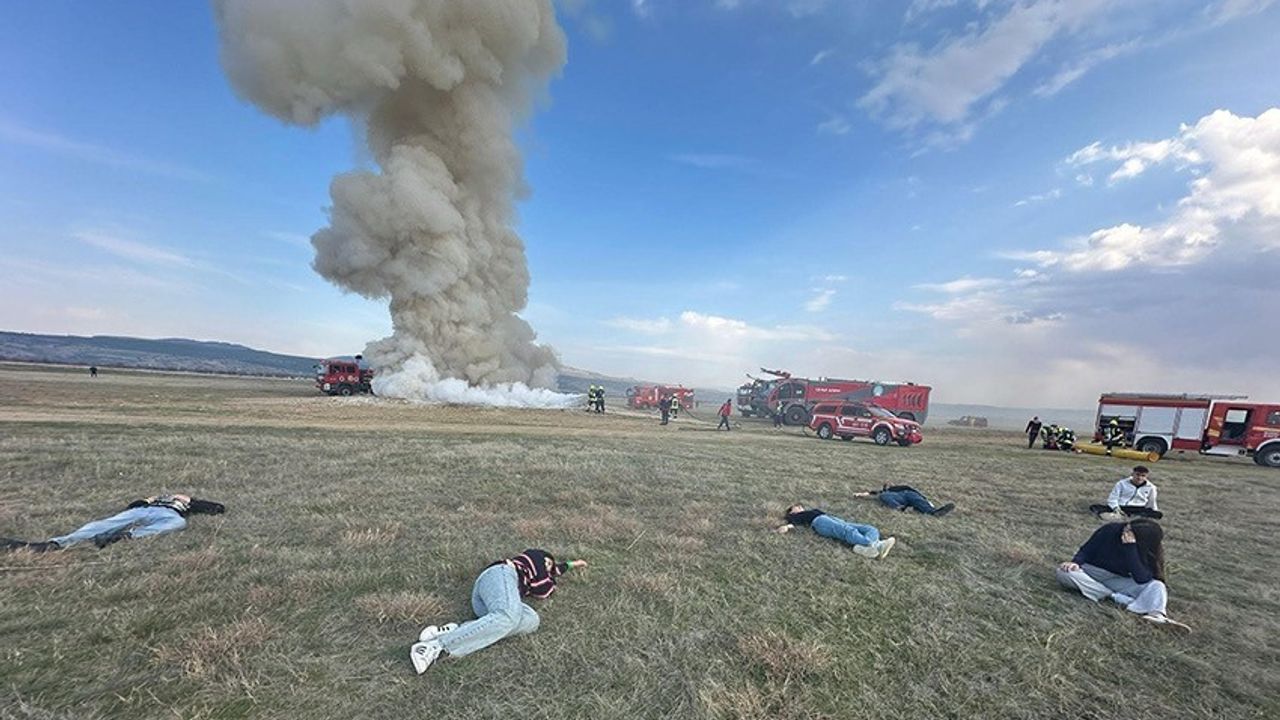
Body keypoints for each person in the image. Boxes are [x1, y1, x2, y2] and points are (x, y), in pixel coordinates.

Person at [410, 548, 587, 674]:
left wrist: (574, 564)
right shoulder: (534, 558)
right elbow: (542, 590)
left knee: (532, 620)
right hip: (499, 575)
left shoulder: (542, 572)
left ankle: (457, 630)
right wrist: (552, 581)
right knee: (508, 616)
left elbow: (557, 569)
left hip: (492, 604)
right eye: (548, 563)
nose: (548, 567)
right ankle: (436, 646)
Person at [1055, 519, 1190, 632]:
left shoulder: (1145, 549)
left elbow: (1142, 578)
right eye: (1126, 529)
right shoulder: (1110, 530)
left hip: (1118, 579)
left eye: (1130, 533)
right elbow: (1086, 550)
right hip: (1091, 572)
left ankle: (1156, 616)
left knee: (1157, 585)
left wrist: (1130, 549)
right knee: (1064, 573)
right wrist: (1075, 562)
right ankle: (1116, 598)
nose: (1125, 533)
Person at [2, 494, 226, 552]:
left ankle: (124, 536)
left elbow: (216, 508)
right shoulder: (153, 499)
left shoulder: (188, 504)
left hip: (169, 515)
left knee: (178, 524)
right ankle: (55, 544)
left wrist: (194, 503)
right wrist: (147, 501)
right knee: (105, 523)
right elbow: (134, 505)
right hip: (143, 511)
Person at [775, 505, 896, 559]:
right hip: (820, 522)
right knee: (848, 531)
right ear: (792, 511)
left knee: (870, 528)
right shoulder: (796, 516)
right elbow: (795, 523)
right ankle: (876, 545)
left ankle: (867, 549)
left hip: (830, 518)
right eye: (795, 507)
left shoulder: (810, 510)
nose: (799, 507)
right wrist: (787, 527)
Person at [1090, 466, 1162, 519]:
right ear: (1132, 474)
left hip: (1138, 508)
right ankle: (1120, 515)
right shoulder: (1121, 483)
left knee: (1157, 514)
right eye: (1137, 474)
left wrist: (1153, 511)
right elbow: (1113, 498)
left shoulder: (1151, 487)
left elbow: (1152, 501)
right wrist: (1116, 508)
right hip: (1122, 506)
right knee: (1095, 507)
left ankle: (1125, 516)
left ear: (1146, 477)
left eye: (1143, 476)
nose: (1139, 478)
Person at [855, 484, 954, 517]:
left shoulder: (902, 487)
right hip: (898, 497)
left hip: (908, 494)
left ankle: (934, 512)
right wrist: (860, 494)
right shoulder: (886, 492)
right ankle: (900, 508)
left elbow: (917, 494)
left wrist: (927, 501)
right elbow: (872, 493)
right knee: (884, 495)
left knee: (917, 500)